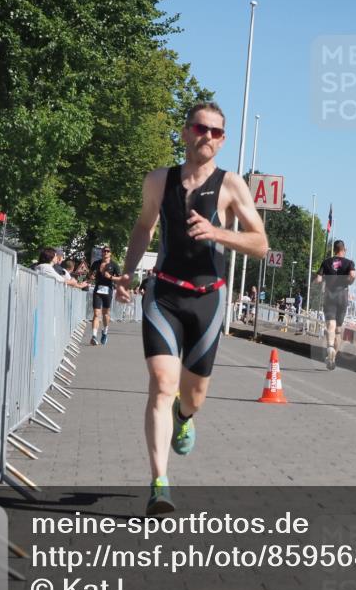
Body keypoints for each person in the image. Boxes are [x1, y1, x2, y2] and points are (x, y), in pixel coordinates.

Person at [113, 102, 268, 516]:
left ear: (223, 140)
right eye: (202, 128)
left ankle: (185, 417)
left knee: (192, 396)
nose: (209, 137)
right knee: (162, 385)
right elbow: (144, 227)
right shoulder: (158, 181)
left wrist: (218, 231)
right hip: (163, 294)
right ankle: (159, 483)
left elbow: (261, 243)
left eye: (217, 132)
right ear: (185, 132)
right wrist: (129, 273)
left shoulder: (231, 185)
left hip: (207, 299)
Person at [314, 240, 356, 370]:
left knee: (330, 325)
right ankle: (333, 357)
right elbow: (353, 275)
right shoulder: (349, 263)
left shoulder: (326, 262)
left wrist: (316, 282)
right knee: (338, 329)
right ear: (344, 249)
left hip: (330, 295)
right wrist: (349, 281)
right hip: (343, 295)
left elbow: (319, 279)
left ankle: (330, 347)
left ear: (334, 250)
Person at [89, 246, 120, 346]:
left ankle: (105, 331)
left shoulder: (114, 265)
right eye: (104, 251)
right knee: (96, 313)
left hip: (108, 290)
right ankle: (93, 336)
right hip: (98, 289)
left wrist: (110, 277)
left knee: (105, 314)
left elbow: (120, 278)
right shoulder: (96, 263)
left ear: (110, 253)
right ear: (102, 253)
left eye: (108, 251)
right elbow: (90, 274)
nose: (105, 253)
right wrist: (91, 276)